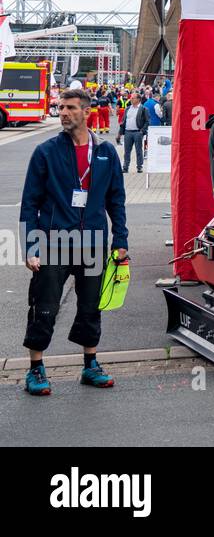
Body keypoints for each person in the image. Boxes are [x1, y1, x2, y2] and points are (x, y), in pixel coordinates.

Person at [19, 88, 128, 396]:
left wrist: (120, 239)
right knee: (44, 306)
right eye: (60, 107)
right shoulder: (46, 152)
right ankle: (36, 368)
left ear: (86, 112)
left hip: (93, 241)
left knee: (91, 306)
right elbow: (30, 203)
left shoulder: (106, 152)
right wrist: (31, 247)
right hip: (53, 240)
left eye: (69, 108)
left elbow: (116, 201)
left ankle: (90, 364)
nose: (63, 113)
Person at [120, 93, 149, 174]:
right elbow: (123, 121)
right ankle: (125, 167)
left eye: (133, 98)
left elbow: (147, 122)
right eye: (131, 98)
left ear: (138, 99)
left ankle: (139, 167)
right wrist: (120, 133)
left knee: (139, 150)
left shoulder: (143, 109)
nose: (131, 99)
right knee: (127, 151)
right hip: (128, 132)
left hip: (137, 132)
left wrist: (142, 131)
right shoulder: (128, 109)